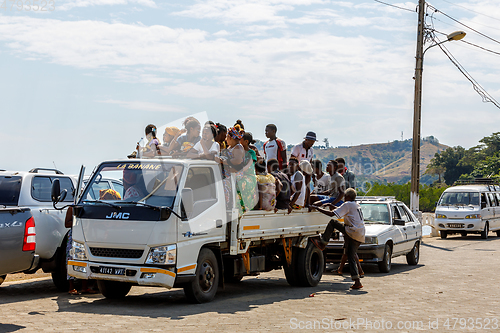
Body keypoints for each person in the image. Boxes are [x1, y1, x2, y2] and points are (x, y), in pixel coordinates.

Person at [311, 188, 365, 289]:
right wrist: (331, 206)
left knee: (333, 222)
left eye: (345, 196)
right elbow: (340, 210)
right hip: (360, 233)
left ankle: (323, 242)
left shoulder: (347, 204)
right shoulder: (356, 204)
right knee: (351, 255)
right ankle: (357, 281)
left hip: (352, 231)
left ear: (348, 197)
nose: (344, 198)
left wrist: (317, 208)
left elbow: (332, 214)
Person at [217, 126, 258, 215]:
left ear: (230, 138)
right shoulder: (230, 147)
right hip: (229, 173)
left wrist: (223, 161)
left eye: (227, 137)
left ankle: (227, 205)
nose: (226, 139)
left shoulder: (238, 148)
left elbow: (237, 161)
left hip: (236, 174)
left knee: (224, 184)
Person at [65, 206, 98, 295]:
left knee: (84, 258)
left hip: (85, 235)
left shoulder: (88, 206)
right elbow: (67, 223)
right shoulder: (71, 208)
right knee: (71, 258)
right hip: (74, 235)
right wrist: (79, 223)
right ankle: (71, 287)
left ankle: (84, 287)